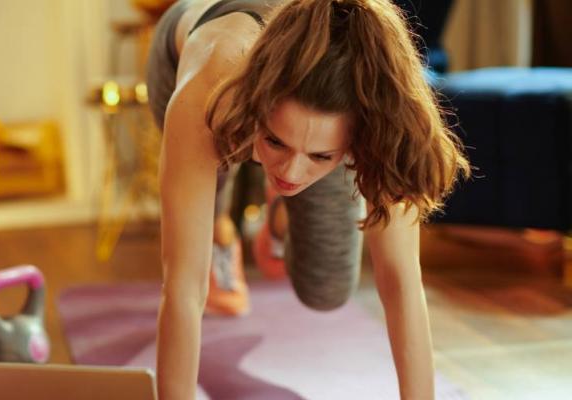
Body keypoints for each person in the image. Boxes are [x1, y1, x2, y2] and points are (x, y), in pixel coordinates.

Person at [145, 0, 471, 399]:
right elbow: (183, 287)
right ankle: (221, 224)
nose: (292, 173)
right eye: (275, 141)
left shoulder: (382, 113)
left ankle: (279, 212)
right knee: (204, 206)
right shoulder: (208, 87)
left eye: (321, 157)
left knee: (327, 287)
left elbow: (401, 281)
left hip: (285, 105)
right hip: (196, 49)